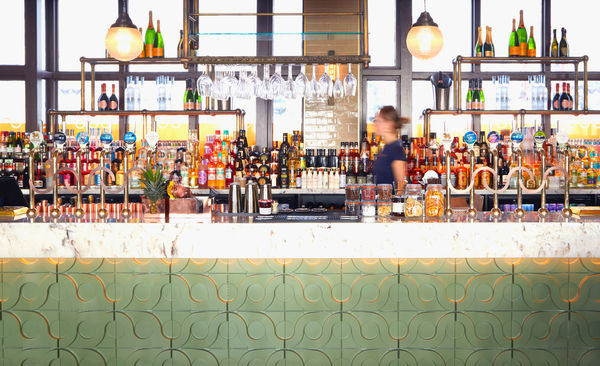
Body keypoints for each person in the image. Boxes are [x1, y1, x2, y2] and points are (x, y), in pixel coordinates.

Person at [373, 106, 408, 187]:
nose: (375, 124)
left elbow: (401, 185)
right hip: (383, 198)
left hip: (389, 199)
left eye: (378, 121)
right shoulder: (387, 147)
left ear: (389, 124)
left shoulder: (396, 149)